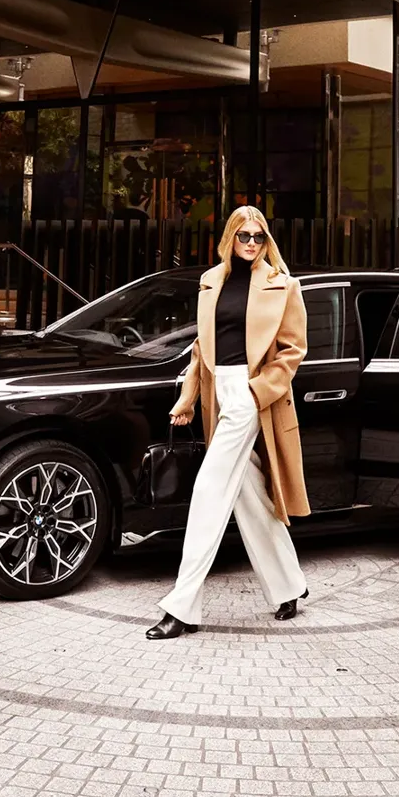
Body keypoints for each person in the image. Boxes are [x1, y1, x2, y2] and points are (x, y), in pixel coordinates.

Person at [146, 205, 310, 639]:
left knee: (209, 491)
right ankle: (289, 584)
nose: (252, 243)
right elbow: (204, 350)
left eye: (259, 236)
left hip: (251, 396)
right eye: (244, 236)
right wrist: (188, 398)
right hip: (219, 395)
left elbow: (293, 351)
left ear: (266, 240)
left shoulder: (282, 285)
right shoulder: (211, 282)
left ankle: (182, 606)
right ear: (230, 238)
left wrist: (257, 393)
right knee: (247, 494)